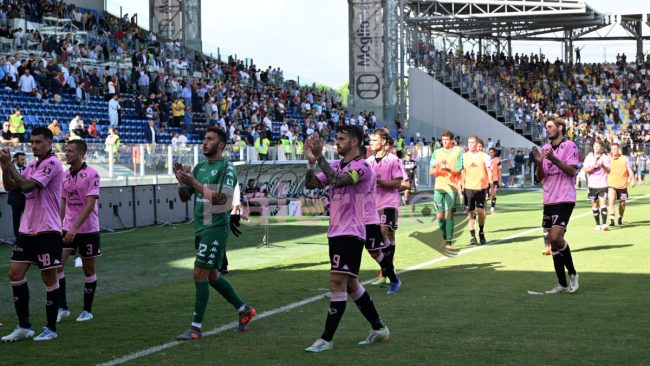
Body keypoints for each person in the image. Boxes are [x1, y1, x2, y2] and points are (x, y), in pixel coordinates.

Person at [304, 126, 389, 353]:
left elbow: (338, 181)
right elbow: (311, 184)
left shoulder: (363, 167)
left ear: (354, 142)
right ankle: (379, 328)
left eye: (341, 139)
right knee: (350, 283)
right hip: (336, 231)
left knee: (336, 282)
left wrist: (320, 156)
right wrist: (311, 162)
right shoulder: (334, 164)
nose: (336, 142)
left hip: (351, 231)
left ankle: (326, 339)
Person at [173, 127, 255, 341]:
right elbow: (184, 196)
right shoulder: (199, 167)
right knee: (212, 276)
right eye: (204, 138)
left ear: (220, 145)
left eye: (209, 139)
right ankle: (244, 309)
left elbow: (223, 200)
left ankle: (195, 328)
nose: (204, 142)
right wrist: (182, 181)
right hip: (200, 227)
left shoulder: (227, 168)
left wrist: (195, 184)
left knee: (199, 273)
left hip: (216, 227)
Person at [0, 127, 64, 341]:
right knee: (15, 273)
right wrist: (4, 167)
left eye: (38, 142)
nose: (34, 146)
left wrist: (11, 167)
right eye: (32, 142)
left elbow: (27, 186)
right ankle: (24, 326)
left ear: (49, 142)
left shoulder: (52, 163)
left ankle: (51, 328)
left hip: (47, 230)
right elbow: (11, 187)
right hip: (27, 230)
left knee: (48, 277)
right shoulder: (33, 165)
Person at [531, 117, 580, 294]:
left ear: (560, 127)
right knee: (552, 243)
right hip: (548, 199)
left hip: (564, 198)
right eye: (546, 127)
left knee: (555, 238)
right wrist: (539, 163)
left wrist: (554, 159)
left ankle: (573, 274)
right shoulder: (545, 149)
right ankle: (562, 283)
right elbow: (540, 178)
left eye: (550, 127)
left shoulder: (570, 146)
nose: (548, 130)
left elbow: (572, 171)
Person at [57, 140, 101, 323]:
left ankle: (87, 310)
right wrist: (58, 225)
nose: (66, 154)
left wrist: (75, 228)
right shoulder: (65, 176)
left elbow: (90, 205)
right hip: (67, 229)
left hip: (87, 230)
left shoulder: (92, 174)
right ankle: (62, 307)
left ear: (80, 154)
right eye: (66, 151)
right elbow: (64, 203)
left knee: (88, 268)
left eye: (70, 151)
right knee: (57, 265)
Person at [367, 129, 402, 293]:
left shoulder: (393, 159)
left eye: (374, 140)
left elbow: (397, 183)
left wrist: (379, 181)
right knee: (377, 242)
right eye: (371, 140)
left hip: (389, 202)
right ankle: (390, 268)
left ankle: (388, 268)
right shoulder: (368, 161)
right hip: (373, 204)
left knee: (383, 231)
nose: (371, 143)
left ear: (383, 141)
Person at [429, 131, 463, 251]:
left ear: (451, 140)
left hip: (451, 187)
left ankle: (449, 240)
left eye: (446, 139)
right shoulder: (436, 153)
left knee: (449, 214)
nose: (444, 141)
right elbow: (431, 171)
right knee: (439, 217)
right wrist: (439, 168)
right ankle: (444, 236)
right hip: (438, 188)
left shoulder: (458, 151)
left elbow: (459, 170)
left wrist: (448, 169)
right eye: (442, 139)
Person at [461, 136, 492, 245]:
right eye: (468, 142)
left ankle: (481, 232)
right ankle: (472, 236)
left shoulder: (485, 156)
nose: (470, 144)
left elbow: (489, 171)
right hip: (468, 188)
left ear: (476, 143)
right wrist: (461, 185)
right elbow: (463, 171)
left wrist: (491, 184)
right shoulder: (464, 156)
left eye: (472, 143)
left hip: (481, 187)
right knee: (470, 213)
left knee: (480, 212)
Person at [582, 141, 610, 231]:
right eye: (595, 146)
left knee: (603, 203)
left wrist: (603, 166)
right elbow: (585, 169)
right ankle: (597, 224)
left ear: (601, 148)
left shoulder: (605, 158)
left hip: (603, 184)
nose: (596, 148)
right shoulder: (589, 157)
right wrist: (592, 168)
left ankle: (604, 224)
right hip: (592, 185)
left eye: (598, 146)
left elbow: (609, 171)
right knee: (594, 204)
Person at [607, 143, 636, 227]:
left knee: (622, 204)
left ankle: (620, 216)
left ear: (618, 149)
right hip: (611, 183)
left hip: (622, 185)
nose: (614, 150)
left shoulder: (624, 159)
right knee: (611, 201)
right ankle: (612, 219)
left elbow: (629, 169)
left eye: (615, 149)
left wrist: (633, 179)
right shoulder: (608, 159)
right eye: (612, 149)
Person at [7, 152, 26, 241]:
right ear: (16, 160)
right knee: (16, 219)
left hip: (26, 198)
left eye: (24, 159)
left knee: (28, 218)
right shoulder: (9, 171)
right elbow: (9, 183)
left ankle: (27, 237)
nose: (24, 161)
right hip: (15, 198)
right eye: (22, 159)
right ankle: (17, 238)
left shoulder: (27, 169)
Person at [488, 148, 502, 214]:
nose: (491, 153)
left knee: (493, 193)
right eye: (490, 152)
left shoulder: (497, 160)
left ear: (494, 153)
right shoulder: (486, 159)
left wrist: (500, 181)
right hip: (487, 180)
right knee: (486, 195)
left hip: (495, 180)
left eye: (492, 152)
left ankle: (492, 208)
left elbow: (499, 171)